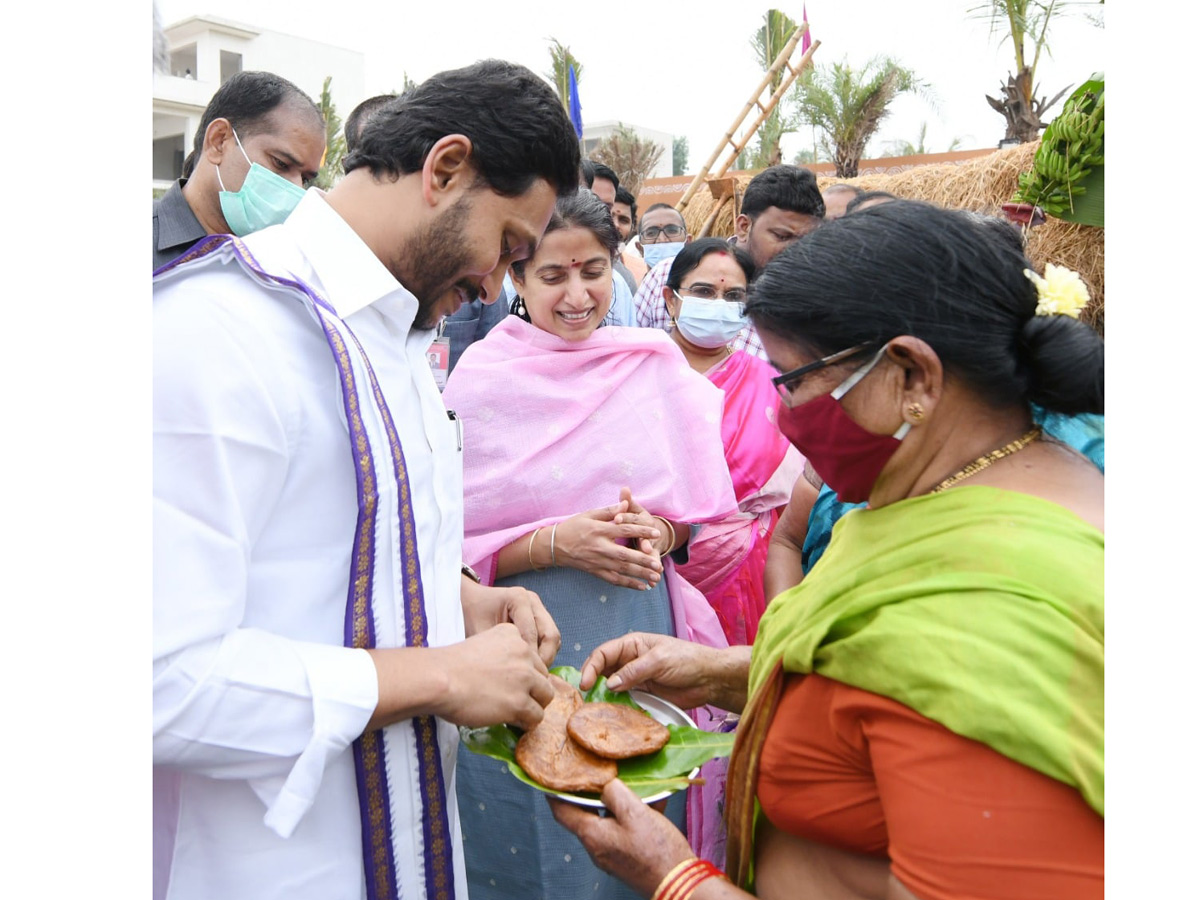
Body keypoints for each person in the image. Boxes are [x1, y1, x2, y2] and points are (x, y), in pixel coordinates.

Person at [551, 200, 1104, 900]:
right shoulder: (975, 486)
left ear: (911, 377)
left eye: (794, 380)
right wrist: (727, 673)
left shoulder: (989, 620)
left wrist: (674, 876)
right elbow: (891, 687)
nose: (783, 412)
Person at [152, 59, 584, 900]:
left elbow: (330, 546)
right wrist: (444, 674)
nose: (496, 287)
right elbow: (157, 680)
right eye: (508, 247)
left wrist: (458, 597)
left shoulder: (399, 336)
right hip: (263, 865)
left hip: (409, 837)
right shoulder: (213, 333)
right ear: (446, 168)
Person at [443, 189, 739, 900]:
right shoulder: (482, 378)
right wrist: (554, 543)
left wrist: (659, 531)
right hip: (525, 633)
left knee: (632, 801)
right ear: (516, 277)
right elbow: (444, 546)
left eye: (594, 270)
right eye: (553, 276)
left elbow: (695, 518)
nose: (578, 295)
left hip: (635, 629)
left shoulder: (654, 365)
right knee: (522, 810)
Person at [658, 239, 807, 645]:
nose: (719, 304)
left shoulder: (767, 381)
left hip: (748, 569)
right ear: (671, 300)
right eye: (704, 292)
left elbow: (791, 492)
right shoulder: (638, 370)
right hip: (653, 563)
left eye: (734, 296)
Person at [153, 70, 327, 270]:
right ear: (219, 141)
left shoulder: (283, 268)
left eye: (305, 180)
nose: (294, 189)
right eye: (280, 163)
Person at [731, 164, 825, 269]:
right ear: (743, 227)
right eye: (782, 237)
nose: (796, 251)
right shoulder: (713, 279)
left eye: (806, 241)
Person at [614, 185, 649, 284]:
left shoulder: (637, 271)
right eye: (609, 216)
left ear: (632, 226)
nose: (616, 225)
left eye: (623, 220)